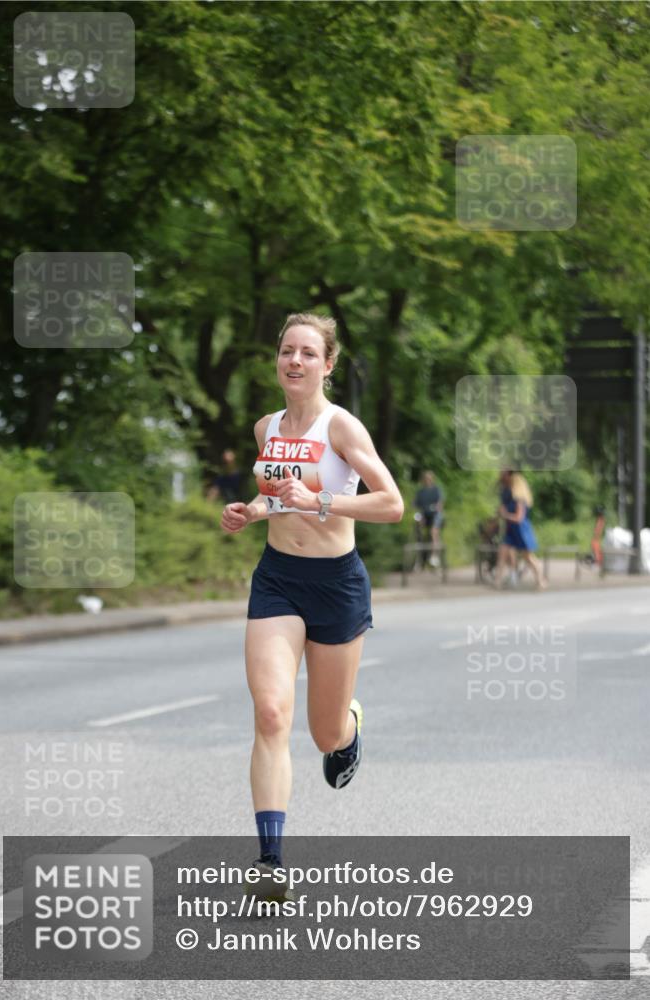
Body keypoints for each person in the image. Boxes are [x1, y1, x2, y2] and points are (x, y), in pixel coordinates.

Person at [220, 312, 404, 896]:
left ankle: (349, 726)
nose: (293, 361)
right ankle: (271, 860)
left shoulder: (341, 428)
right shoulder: (265, 427)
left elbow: (392, 504)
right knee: (271, 713)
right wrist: (252, 511)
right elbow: (276, 495)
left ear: (327, 365)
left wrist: (323, 501)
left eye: (306, 353)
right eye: (285, 351)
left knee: (323, 735)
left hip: (336, 584)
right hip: (277, 579)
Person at [494, 469, 546, 590]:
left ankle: (541, 580)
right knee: (502, 554)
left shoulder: (519, 498)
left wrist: (505, 515)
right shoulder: (506, 495)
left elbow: (519, 518)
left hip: (521, 530)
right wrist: (500, 514)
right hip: (510, 530)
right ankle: (497, 582)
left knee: (528, 557)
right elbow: (502, 511)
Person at [413, 470, 444, 568]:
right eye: (426, 479)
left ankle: (434, 556)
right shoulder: (420, 492)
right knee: (418, 529)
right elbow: (416, 505)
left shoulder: (436, 490)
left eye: (429, 478)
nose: (427, 480)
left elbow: (440, 504)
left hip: (435, 514)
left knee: (433, 531)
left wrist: (436, 508)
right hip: (424, 515)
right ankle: (420, 557)